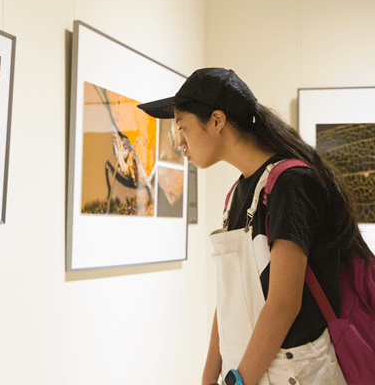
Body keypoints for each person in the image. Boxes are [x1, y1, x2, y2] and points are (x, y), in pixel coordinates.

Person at [137, 68, 374, 385]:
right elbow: (229, 302)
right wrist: (210, 377)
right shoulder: (239, 193)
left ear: (217, 121)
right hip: (251, 370)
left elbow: (283, 304)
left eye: (182, 128)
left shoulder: (291, 183)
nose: (180, 142)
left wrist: (238, 380)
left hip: (296, 372)